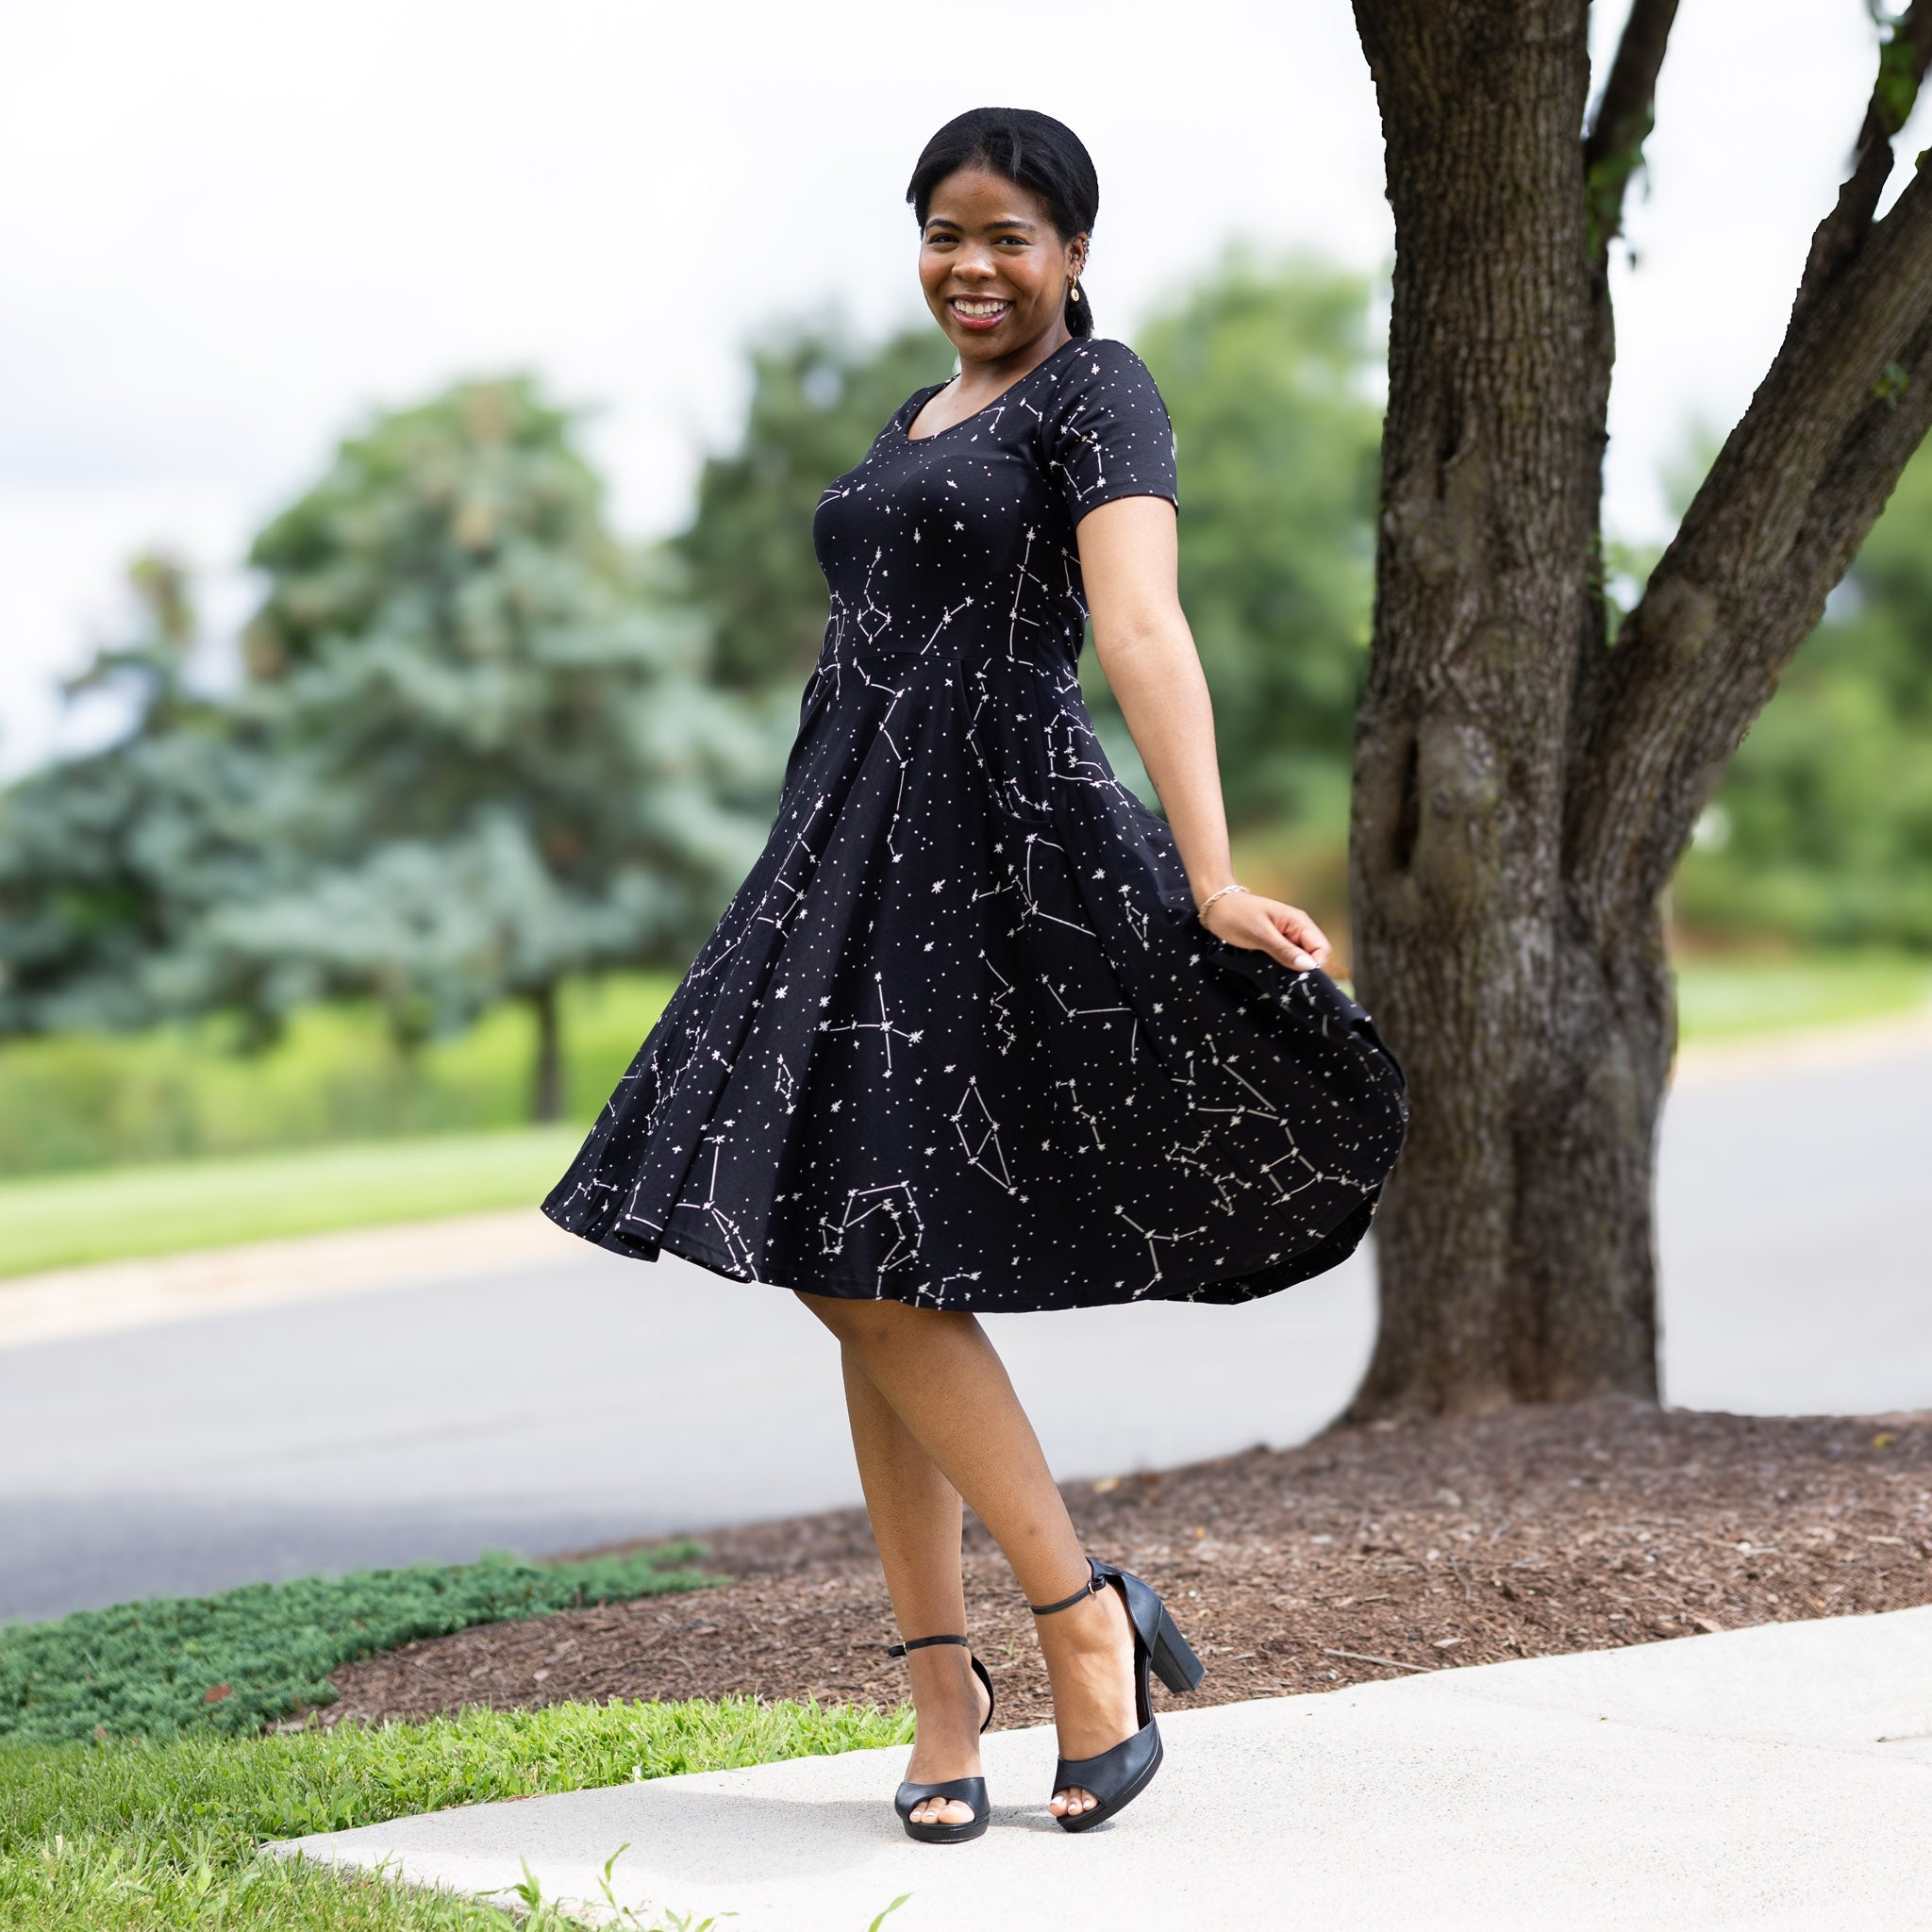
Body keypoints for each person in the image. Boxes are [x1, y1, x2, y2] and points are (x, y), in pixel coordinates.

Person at [543, 105, 1408, 1843]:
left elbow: (1141, 627)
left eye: (1011, 234)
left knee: (875, 1263)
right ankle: (947, 1691)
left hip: (997, 845)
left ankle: (1081, 1621)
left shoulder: (1105, 393)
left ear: (1075, 250)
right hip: (844, 847)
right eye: (946, 230)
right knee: (850, 1250)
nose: (974, 264)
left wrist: (1215, 870)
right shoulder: (912, 418)